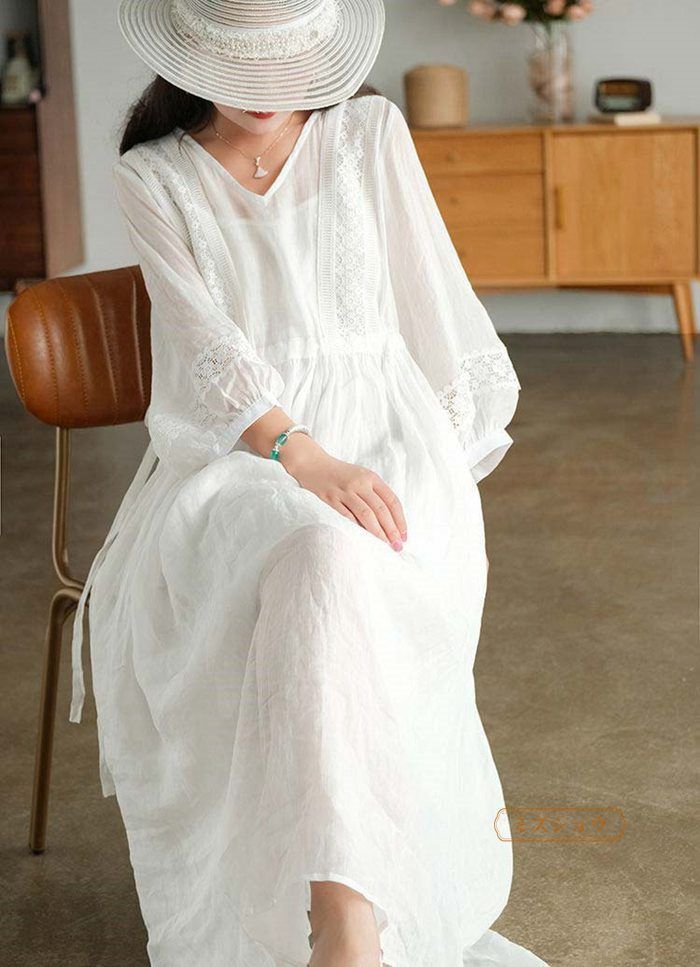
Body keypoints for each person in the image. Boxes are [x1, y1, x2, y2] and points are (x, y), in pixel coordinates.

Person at [69, 1, 547, 965]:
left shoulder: (368, 134)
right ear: (194, 55)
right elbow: (205, 347)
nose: (263, 91)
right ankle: (345, 922)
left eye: (282, 64)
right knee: (321, 554)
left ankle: (341, 918)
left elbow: (432, 299)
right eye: (239, 66)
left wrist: (441, 471)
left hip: (391, 443)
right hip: (239, 458)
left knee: (346, 566)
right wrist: (305, 456)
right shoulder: (154, 175)